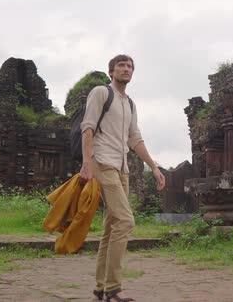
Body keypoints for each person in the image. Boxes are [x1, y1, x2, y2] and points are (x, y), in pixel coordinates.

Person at [79, 54, 165, 302]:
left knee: (111, 228)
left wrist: (154, 167)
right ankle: (114, 289)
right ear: (111, 71)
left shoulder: (129, 104)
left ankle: (99, 288)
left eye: (130, 66)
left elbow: (135, 138)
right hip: (102, 163)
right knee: (126, 221)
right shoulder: (100, 93)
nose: (126, 69)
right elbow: (88, 127)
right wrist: (87, 163)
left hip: (122, 168)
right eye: (121, 66)